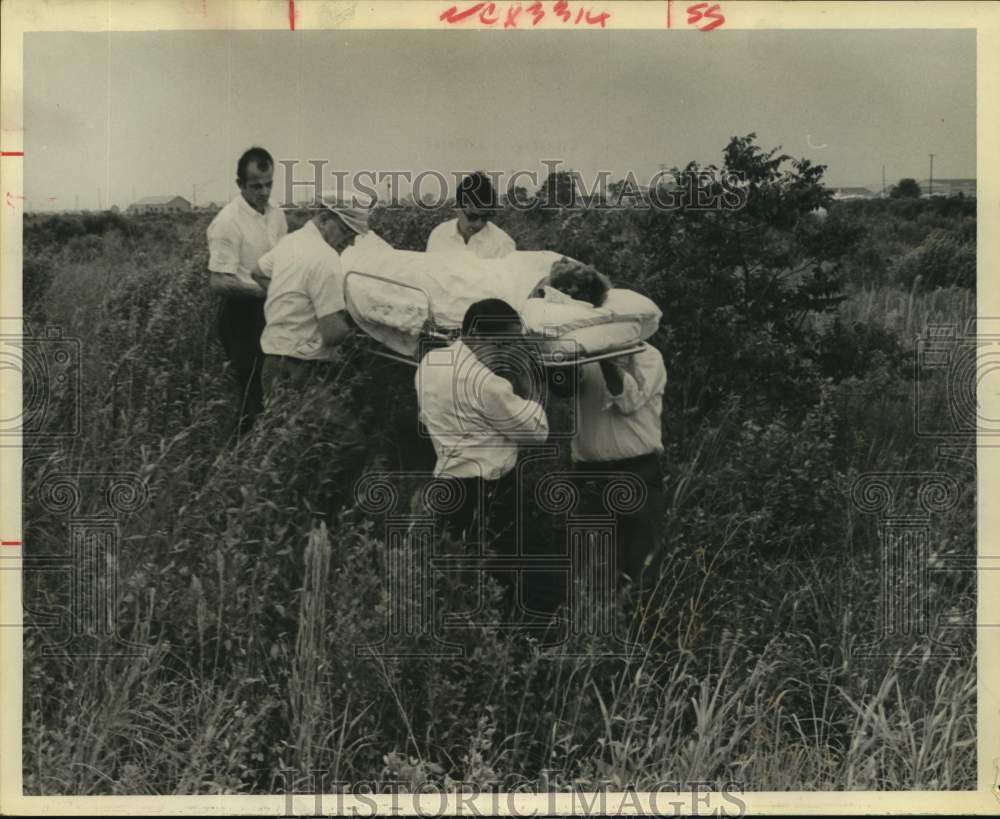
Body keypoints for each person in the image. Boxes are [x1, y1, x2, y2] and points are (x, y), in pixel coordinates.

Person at [415, 299, 550, 621]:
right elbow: (536, 433)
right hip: (490, 492)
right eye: (502, 344)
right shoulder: (489, 384)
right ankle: (503, 642)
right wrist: (531, 387)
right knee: (500, 574)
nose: (507, 354)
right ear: (474, 336)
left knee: (455, 573)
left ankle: (461, 637)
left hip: (446, 483)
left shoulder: (430, 363)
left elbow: (424, 417)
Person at [547, 261, 668, 594]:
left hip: (637, 474)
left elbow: (628, 400)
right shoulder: (575, 354)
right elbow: (563, 390)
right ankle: (591, 639)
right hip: (587, 476)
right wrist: (558, 353)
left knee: (639, 570)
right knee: (587, 570)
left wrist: (601, 350)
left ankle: (638, 640)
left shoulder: (648, 357)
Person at [206, 146, 288, 438]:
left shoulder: (276, 212)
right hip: (241, 317)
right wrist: (266, 292)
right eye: (255, 186)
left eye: (269, 184)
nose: (263, 192)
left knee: (274, 386)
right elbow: (219, 282)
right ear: (240, 185)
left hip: (271, 311)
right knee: (251, 391)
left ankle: (265, 448)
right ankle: (238, 459)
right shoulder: (227, 223)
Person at [426, 172, 516, 258]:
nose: (478, 224)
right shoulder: (438, 235)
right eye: (473, 217)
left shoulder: (503, 244)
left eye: (484, 218)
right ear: (458, 207)